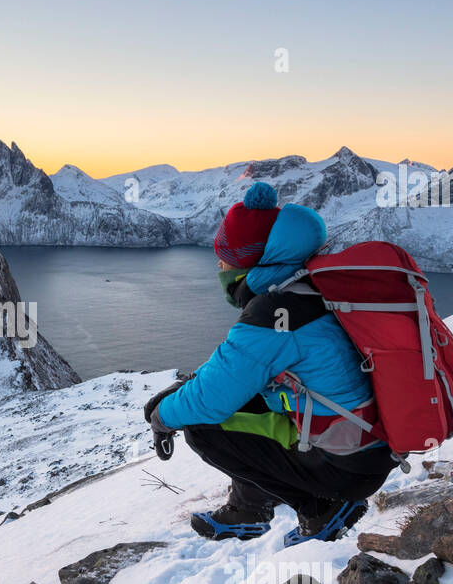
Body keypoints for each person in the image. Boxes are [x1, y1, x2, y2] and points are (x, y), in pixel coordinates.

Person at [144, 181, 399, 546]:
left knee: (202, 424)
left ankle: (320, 509)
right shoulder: (308, 287)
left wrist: (161, 416)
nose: (218, 263)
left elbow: (212, 398)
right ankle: (248, 510)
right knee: (246, 404)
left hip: (346, 463)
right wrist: (190, 385)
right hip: (371, 442)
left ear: (250, 261)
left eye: (226, 256)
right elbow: (238, 370)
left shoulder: (274, 311)